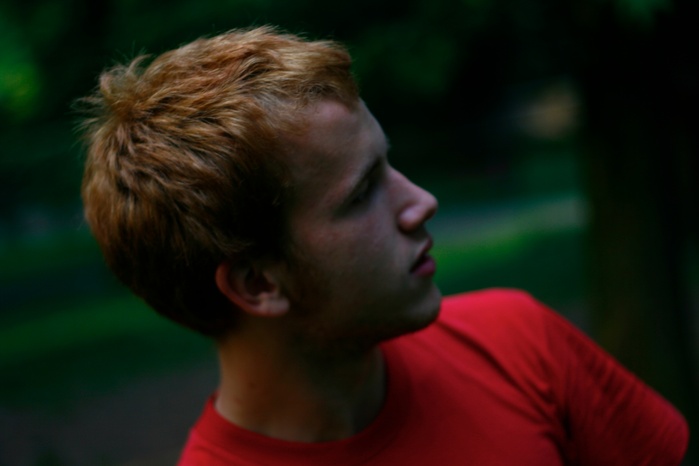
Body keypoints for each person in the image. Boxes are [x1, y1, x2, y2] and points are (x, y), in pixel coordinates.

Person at [77, 26, 688, 465]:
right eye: (363, 193)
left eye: (387, 163)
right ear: (259, 283)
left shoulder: (520, 345)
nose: (421, 202)